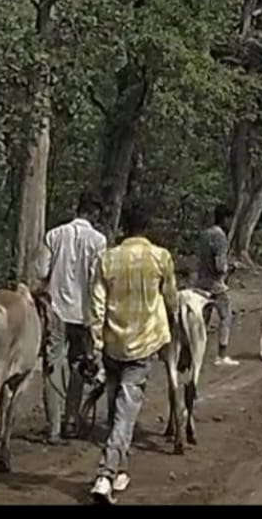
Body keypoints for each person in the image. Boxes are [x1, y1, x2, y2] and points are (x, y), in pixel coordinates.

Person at [88, 195, 179, 505]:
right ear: (147, 227)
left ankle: (120, 468)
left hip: (112, 344)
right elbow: (171, 299)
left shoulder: (107, 258)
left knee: (115, 410)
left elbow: (96, 305)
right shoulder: (160, 257)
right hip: (143, 345)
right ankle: (106, 474)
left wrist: (96, 343)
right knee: (125, 414)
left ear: (124, 226)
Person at [35, 189, 107, 445]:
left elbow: (41, 270)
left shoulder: (53, 235)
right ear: (95, 213)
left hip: (54, 311)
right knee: (79, 365)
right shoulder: (98, 241)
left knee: (52, 365)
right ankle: (71, 420)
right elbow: (97, 278)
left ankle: (53, 426)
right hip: (83, 313)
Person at [195, 202, 239, 367]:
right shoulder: (220, 237)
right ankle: (221, 355)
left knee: (202, 320)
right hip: (216, 285)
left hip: (201, 282)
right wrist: (230, 267)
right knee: (226, 317)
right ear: (225, 219)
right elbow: (220, 266)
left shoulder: (205, 234)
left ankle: (196, 352)